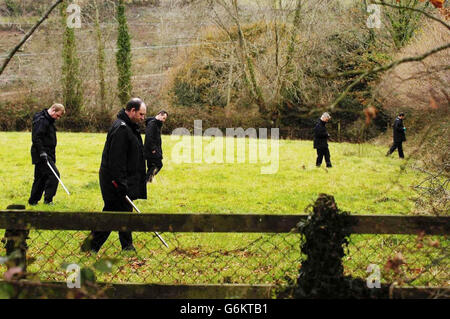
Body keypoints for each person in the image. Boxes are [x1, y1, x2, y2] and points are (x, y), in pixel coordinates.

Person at [81, 98, 147, 253]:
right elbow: (116, 161)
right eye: (141, 114)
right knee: (112, 214)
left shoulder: (129, 126)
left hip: (121, 180)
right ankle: (90, 246)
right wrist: (120, 184)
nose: (143, 118)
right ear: (132, 111)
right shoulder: (122, 129)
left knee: (124, 211)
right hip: (114, 181)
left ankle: (127, 246)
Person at [28, 103, 65, 205]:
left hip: (48, 153)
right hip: (42, 153)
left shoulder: (49, 120)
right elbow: (36, 138)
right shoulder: (41, 120)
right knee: (54, 175)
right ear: (53, 110)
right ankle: (48, 200)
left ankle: (33, 201)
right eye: (57, 115)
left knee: (40, 177)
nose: (57, 118)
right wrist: (42, 153)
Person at [144, 110, 168, 183]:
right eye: (163, 118)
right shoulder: (152, 124)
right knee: (158, 164)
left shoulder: (157, 124)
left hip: (154, 148)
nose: (164, 120)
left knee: (152, 166)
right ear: (160, 115)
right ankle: (147, 179)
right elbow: (149, 137)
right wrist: (153, 149)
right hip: (151, 150)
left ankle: (147, 180)